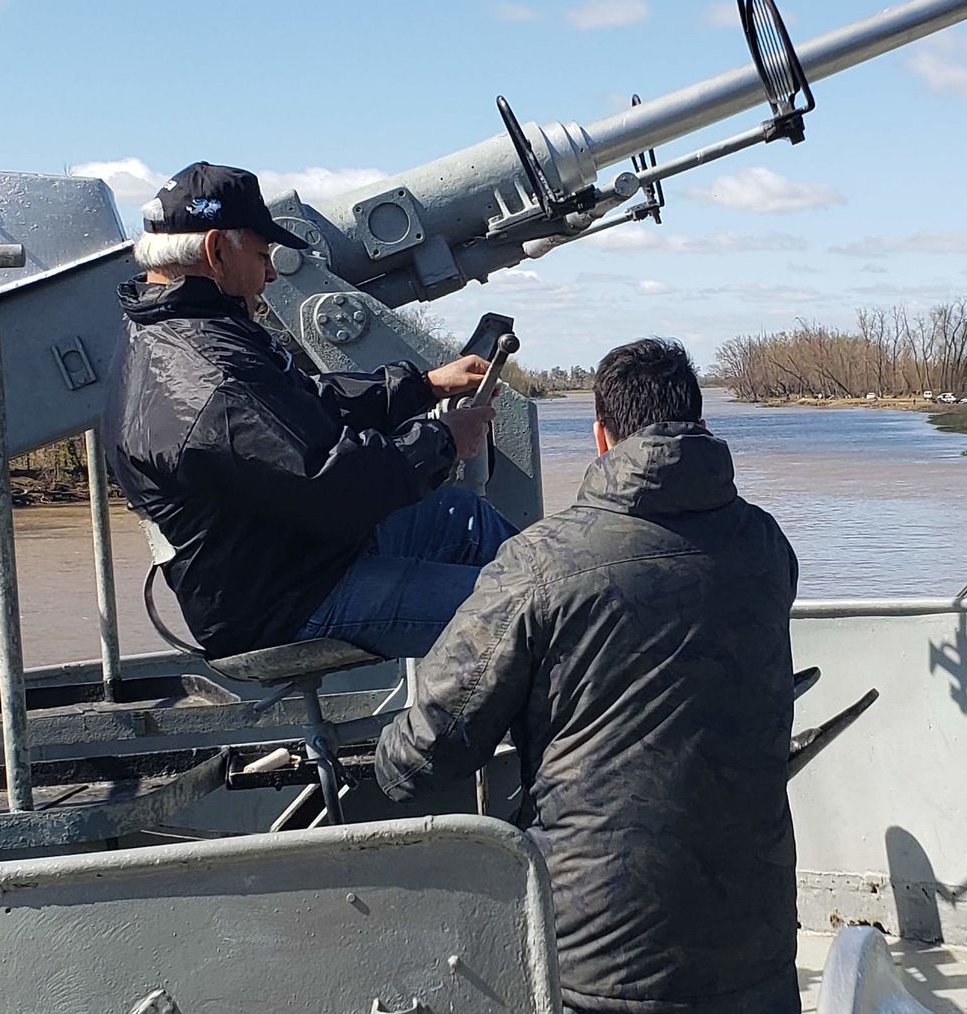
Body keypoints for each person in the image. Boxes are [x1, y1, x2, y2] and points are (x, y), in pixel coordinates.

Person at [375, 338, 800, 1014]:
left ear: (601, 435)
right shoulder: (767, 545)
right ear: (702, 426)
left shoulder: (538, 564)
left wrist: (382, 759)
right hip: (759, 947)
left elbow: (429, 750)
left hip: (598, 966)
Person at [103, 161, 515, 661]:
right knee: (525, 615)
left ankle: (576, 588)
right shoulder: (212, 376)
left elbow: (305, 405)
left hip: (287, 557)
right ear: (215, 251)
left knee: (463, 517)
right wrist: (445, 439)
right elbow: (332, 483)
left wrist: (423, 387)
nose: (272, 273)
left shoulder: (175, 330)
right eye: (261, 255)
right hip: (284, 601)